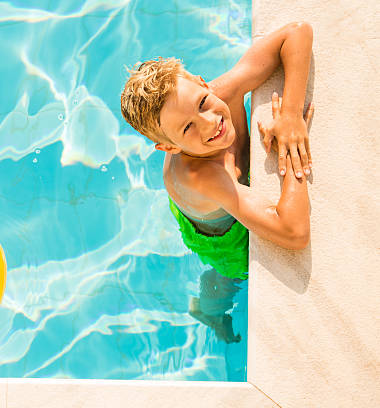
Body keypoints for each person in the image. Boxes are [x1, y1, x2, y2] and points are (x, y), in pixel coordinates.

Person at [120, 22, 314, 342]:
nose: (211, 123)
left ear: (202, 82)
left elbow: (297, 33)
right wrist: (290, 150)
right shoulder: (203, 176)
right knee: (227, 277)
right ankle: (208, 310)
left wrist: (290, 114)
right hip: (220, 234)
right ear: (168, 147)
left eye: (201, 103)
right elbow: (294, 233)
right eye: (187, 129)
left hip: (212, 199)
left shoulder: (222, 93)